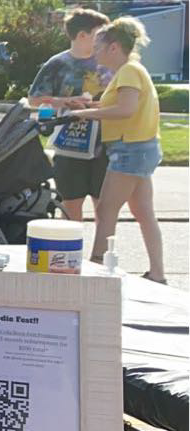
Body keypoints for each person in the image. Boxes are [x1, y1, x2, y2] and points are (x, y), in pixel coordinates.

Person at [68, 17, 164, 283]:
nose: (94, 52)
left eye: (98, 47)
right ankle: (157, 273)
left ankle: (97, 269)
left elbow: (126, 109)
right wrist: (91, 108)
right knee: (143, 212)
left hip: (130, 148)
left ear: (113, 47)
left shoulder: (129, 72)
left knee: (106, 209)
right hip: (139, 147)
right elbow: (126, 107)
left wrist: (88, 114)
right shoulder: (132, 70)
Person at [28, 8, 112, 222]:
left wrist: (97, 106)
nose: (105, 39)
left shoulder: (108, 63)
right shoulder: (57, 64)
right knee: (71, 203)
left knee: (104, 203)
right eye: (99, 34)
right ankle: (72, 251)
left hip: (106, 143)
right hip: (69, 143)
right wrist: (64, 102)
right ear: (82, 35)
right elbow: (35, 99)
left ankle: (99, 254)